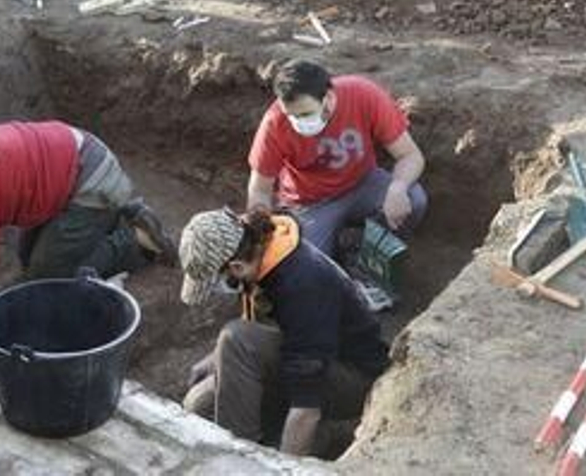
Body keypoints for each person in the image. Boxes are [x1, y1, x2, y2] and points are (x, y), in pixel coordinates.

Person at [178, 207, 388, 456]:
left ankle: (241, 459)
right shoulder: (256, 247)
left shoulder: (302, 284)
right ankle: (270, 433)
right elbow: (268, 328)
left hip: (352, 378)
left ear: (235, 267)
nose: (220, 288)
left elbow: (306, 407)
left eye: (217, 279)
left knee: (236, 340)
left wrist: (282, 465)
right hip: (303, 356)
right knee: (197, 406)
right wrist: (217, 359)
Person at [0, 120, 176, 284]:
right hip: (63, 165)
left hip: (88, 176)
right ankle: (112, 213)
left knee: (48, 279)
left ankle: (133, 240)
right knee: (26, 259)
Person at [246, 60, 428, 259]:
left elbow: (410, 155)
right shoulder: (275, 123)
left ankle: (369, 252)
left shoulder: (363, 95)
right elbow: (259, 190)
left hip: (363, 183)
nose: (299, 123)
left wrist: (398, 187)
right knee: (304, 262)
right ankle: (338, 252)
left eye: (306, 114)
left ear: (329, 98)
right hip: (309, 204)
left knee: (413, 199)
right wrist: (261, 233)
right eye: (292, 115)